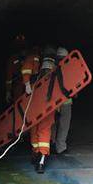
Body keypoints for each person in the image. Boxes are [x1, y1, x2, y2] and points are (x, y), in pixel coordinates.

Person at [21, 44, 57, 173]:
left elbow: (25, 70)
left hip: (35, 102)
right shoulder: (58, 67)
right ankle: (41, 160)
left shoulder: (33, 59)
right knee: (45, 130)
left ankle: (36, 155)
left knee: (34, 129)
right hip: (50, 104)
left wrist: (27, 84)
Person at [53, 47, 72, 154]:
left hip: (53, 103)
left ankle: (51, 143)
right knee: (64, 125)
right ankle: (60, 147)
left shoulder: (52, 67)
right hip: (65, 102)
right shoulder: (69, 68)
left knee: (53, 124)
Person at [5, 34, 28, 104]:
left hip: (29, 81)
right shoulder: (12, 59)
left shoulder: (29, 56)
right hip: (18, 84)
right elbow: (9, 77)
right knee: (19, 103)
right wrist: (8, 91)